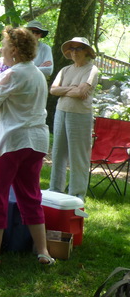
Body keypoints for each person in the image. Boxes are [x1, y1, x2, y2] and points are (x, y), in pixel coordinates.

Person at [0, 26, 54, 266]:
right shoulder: (38, 74)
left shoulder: (11, 74)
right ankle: (43, 252)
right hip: (36, 141)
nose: (1, 50)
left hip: (10, 141)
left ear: (15, 50)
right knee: (31, 195)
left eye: (4, 46)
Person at [49, 37, 99, 200]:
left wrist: (64, 90)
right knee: (58, 153)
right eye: (72, 49)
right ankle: (55, 190)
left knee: (78, 155)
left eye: (78, 48)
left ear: (87, 52)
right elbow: (53, 90)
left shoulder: (91, 70)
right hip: (61, 112)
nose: (74, 52)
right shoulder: (65, 70)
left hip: (80, 115)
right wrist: (72, 88)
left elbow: (80, 92)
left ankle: (77, 195)